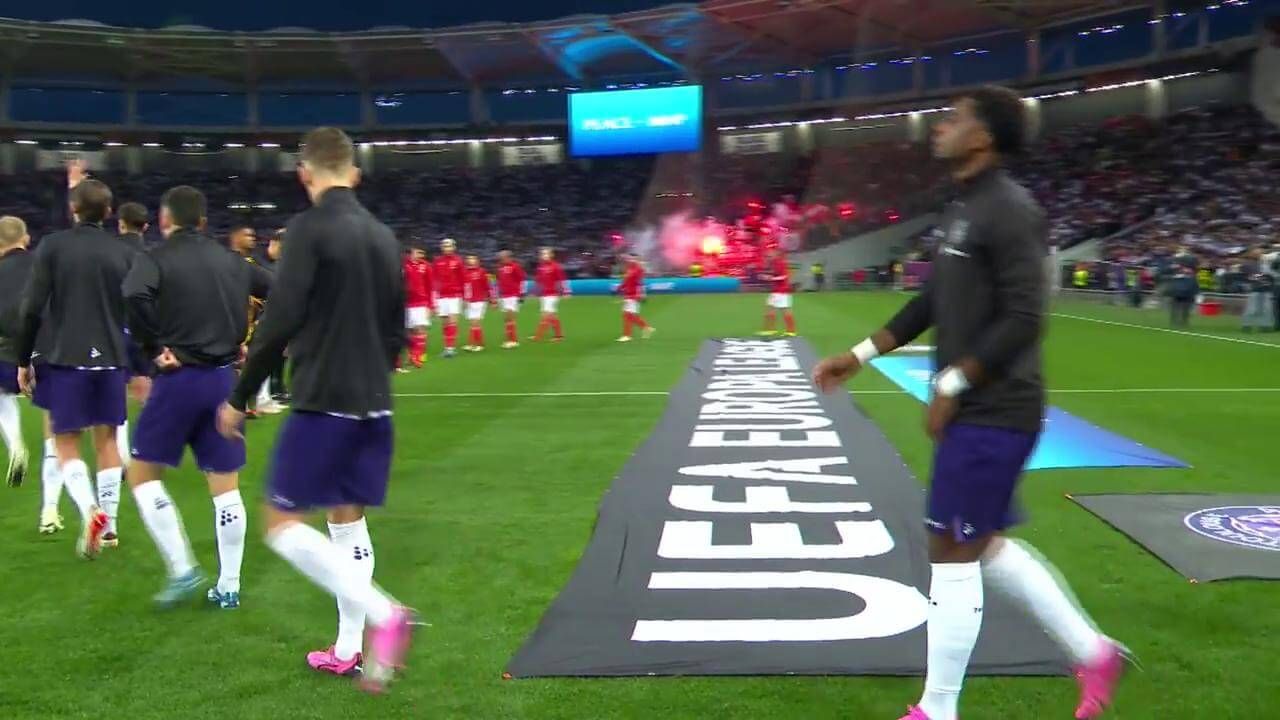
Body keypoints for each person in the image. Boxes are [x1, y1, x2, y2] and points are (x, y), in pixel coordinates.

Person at [812, 86, 1127, 720]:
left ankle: (937, 708)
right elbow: (932, 301)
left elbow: (1025, 316)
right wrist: (861, 353)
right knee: (977, 544)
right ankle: (1093, 653)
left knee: (950, 550)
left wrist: (953, 384)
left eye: (953, 119)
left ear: (982, 137)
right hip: (982, 411)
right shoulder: (964, 208)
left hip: (996, 409)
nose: (940, 126)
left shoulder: (1011, 210)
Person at [215, 127, 415, 691]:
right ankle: (351, 649)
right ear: (353, 172)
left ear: (306, 174)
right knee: (346, 518)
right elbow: (398, 325)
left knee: (281, 525)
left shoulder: (306, 229)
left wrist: (238, 396)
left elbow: (277, 321)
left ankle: (384, 617)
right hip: (374, 402)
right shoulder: (382, 235)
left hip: (324, 399)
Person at [121, 185, 273, 608]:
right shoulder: (233, 262)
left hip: (176, 380)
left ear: (166, 220)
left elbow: (132, 295)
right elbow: (278, 291)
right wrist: (252, 343)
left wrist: (152, 349)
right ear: (203, 222)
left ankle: (184, 568)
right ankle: (229, 585)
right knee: (225, 488)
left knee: (143, 476)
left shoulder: (153, 259)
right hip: (223, 382)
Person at [14, 165, 134, 559]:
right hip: (112, 358)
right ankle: (112, 528)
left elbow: (31, 308)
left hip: (67, 357)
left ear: (73, 209)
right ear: (109, 211)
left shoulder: (53, 246)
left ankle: (90, 511)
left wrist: (23, 358)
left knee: (65, 444)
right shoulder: (125, 251)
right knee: (108, 442)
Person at [0, 216, 32, 489]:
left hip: (5, 351)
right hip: (47, 349)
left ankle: (16, 444)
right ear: (26, 238)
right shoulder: (43, 265)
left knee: (2, 397)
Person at [432, 238, 464, 358]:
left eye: (449, 246)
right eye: (445, 246)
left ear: (454, 247)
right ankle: (447, 347)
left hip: (454, 296)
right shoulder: (437, 261)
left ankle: (451, 348)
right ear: (441, 247)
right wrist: (434, 296)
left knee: (452, 321)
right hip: (441, 296)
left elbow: (463, 279)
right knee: (445, 322)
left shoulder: (458, 261)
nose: (447, 248)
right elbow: (433, 279)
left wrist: (464, 297)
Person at [402, 246, 432, 368]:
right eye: (418, 252)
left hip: (421, 302)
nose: (421, 255)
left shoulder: (426, 266)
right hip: (407, 302)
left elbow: (430, 286)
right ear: (411, 252)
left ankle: (417, 356)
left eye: (423, 253)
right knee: (409, 331)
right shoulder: (403, 265)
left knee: (420, 328)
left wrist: (431, 305)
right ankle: (411, 356)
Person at [616, 253, 654, 343]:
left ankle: (627, 335)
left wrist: (643, 294)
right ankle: (646, 328)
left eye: (633, 258)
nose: (631, 260)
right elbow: (626, 280)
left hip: (634, 295)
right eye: (630, 258)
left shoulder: (639, 269)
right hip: (628, 294)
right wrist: (620, 288)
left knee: (628, 315)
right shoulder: (629, 268)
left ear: (637, 259)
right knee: (629, 315)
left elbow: (640, 283)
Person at [531, 247, 567, 342]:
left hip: (552, 294)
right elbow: (538, 280)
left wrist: (565, 291)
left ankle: (538, 336)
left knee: (547, 315)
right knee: (550, 315)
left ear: (552, 255)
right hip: (544, 295)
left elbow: (561, 280)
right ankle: (559, 336)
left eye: (546, 253)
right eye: (543, 254)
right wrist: (535, 292)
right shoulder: (541, 267)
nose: (544, 255)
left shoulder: (556, 266)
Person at [761, 248, 797, 337]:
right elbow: (778, 275)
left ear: (775, 255)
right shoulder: (775, 263)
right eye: (767, 256)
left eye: (769, 256)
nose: (767, 257)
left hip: (781, 291)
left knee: (784, 310)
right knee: (770, 309)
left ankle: (790, 331)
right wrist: (768, 277)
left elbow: (784, 276)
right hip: (777, 291)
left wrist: (770, 278)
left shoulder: (780, 263)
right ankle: (772, 330)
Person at [495, 250, 526, 350]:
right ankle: (509, 340)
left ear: (509, 257)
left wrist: (522, 295)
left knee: (510, 317)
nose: (501, 259)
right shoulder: (500, 268)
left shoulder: (515, 266)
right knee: (506, 319)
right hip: (504, 296)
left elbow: (522, 280)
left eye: (502, 257)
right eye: (500, 257)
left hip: (513, 295)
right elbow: (498, 282)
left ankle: (513, 340)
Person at [462, 254, 492, 352]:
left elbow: (487, 286)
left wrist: (492, 298)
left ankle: (480, 344)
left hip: (479, 300)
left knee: (476, 322)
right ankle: (472, 344)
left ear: (477, 260)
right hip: (469, 301)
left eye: (473, 258)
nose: (471, 260)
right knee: (472, 323)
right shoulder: (464, 272)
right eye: (469, 258)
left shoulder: (481, 271)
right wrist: (465, 299)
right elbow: (465, 287)